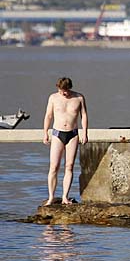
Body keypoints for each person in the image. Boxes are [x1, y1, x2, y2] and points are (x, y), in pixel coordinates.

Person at [42, 77, 88, 206]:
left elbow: (84, 115)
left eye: (66, 90)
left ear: (70, 88)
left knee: (69, 166)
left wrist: (85, 133)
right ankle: (51, 197)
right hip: (58, 133)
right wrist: (45, 132)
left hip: (72, 134)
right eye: (62, 91)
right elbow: (48, 116)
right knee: (54, 166)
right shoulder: (53, 98)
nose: (64, 93)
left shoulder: (79, 98)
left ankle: (65, 197)